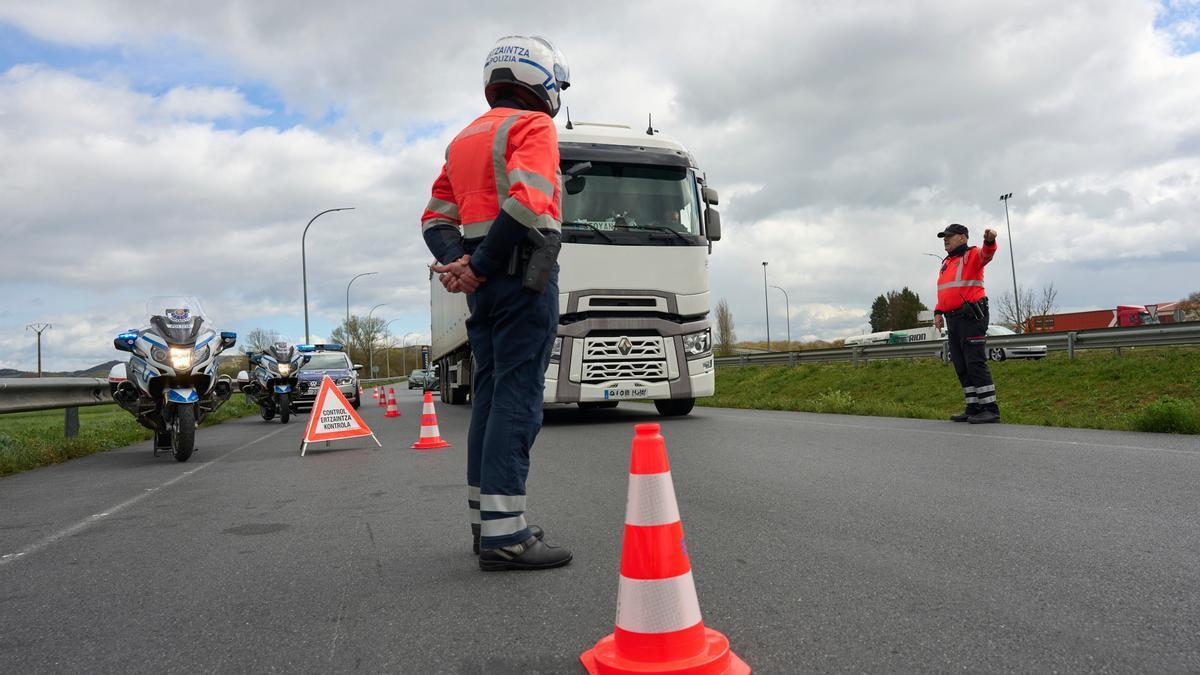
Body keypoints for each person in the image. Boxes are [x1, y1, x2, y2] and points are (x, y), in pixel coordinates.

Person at [419, 35, 572, 571]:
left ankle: (488, 526)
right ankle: (509, 539)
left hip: (483, 289)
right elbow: (530, 201)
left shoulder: (464, 139)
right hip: (522, 278)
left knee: (488, 395)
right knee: (518, 397)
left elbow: (435, 219)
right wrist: (480, 266)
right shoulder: (534, 126)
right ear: (542, 79)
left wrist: (462, 266)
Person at [933, 223, 1001, 424]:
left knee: (974, 363)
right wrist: (938, 311)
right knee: (961, 364)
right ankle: (973, 407)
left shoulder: (971, 256)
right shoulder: (947, 262)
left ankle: (990, 409)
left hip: (971, 316)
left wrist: (990, 240)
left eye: (950, 236)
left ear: (962, 238)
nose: (945, 239)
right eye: (944, 237)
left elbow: (986, 255)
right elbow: (945, 291)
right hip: (952, 319)